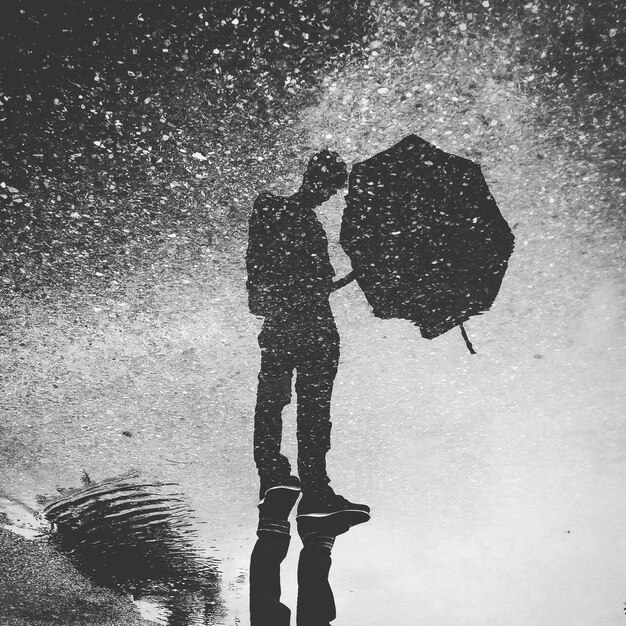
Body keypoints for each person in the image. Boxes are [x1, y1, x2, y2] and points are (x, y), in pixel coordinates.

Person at [246, 149, 369, 528]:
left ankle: (298, 483)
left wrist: (341, 279)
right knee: (290, 402)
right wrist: (304, 290)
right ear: (310, 176)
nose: (327, 194)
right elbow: (262, 275)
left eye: (332, 189)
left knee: (298, 405)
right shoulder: (273, 209)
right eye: (326, 184)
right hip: (302, 325)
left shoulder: (297, 219)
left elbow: (280, 279)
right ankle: (292, 481)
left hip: (306, 325)